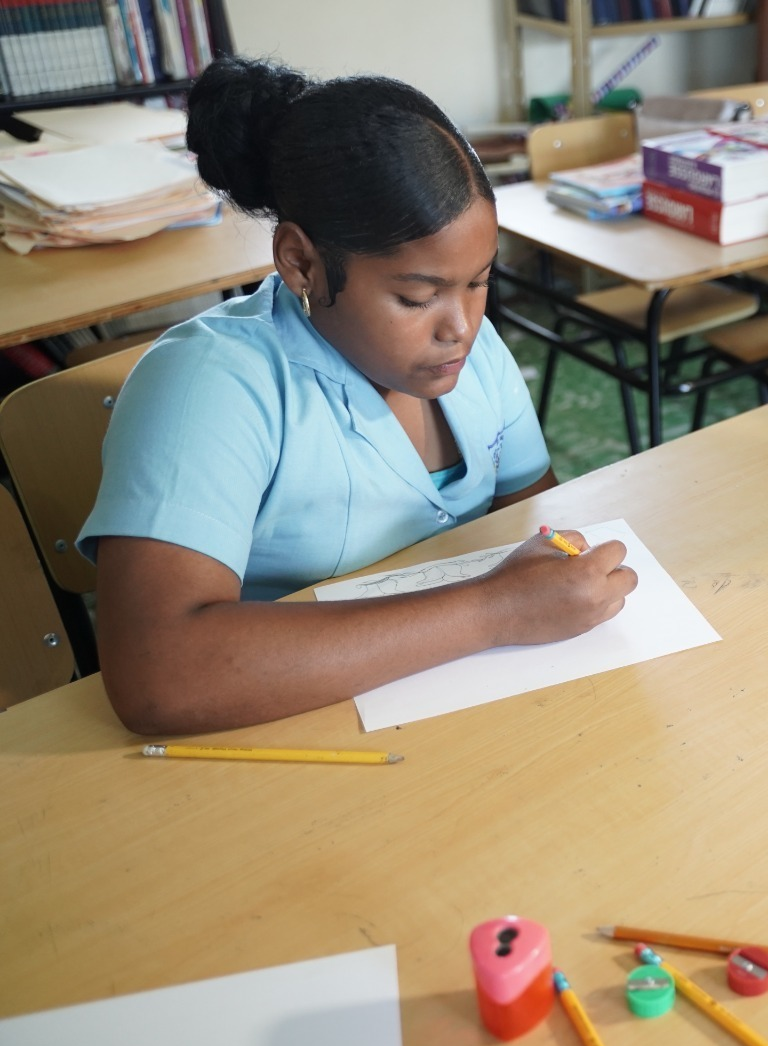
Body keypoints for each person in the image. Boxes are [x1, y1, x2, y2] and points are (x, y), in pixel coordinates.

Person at [79, 57, 636, 734]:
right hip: (281, 730)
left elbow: (535, 520)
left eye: (479, 282)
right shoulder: (210, 386)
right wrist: (494, 611)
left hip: (462, 712)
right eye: (417, 296)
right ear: (302, 263)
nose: (461, 327)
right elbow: (159, 676)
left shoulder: (474, 351)